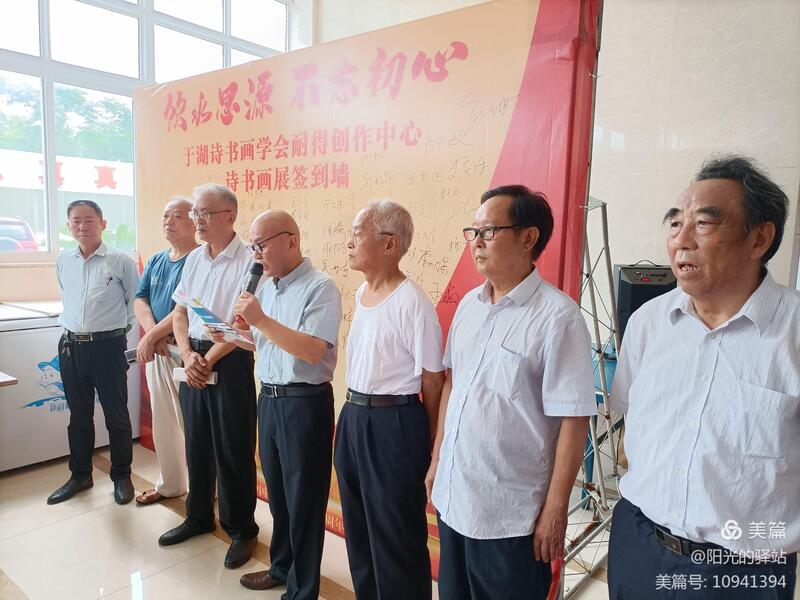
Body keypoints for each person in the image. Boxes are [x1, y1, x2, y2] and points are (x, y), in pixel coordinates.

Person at [607, 156, 798, 599]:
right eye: (675, 223)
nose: (681, 240)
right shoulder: (648, 321)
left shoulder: (792, 332)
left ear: (759, 238)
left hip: (743, 571)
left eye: (704, 224)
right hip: (639, 545)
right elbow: (631, 427)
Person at [428, 185, 596, 600]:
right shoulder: (469, 306)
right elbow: (452, 384)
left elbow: (574, 419)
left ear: (528, 237)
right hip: (455, 498)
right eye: (473, 232)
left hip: (510, 517)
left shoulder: (558, 318)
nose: (476, 242)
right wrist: (437, 459)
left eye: (488, 231)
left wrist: (555, 510)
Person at [210, 210, 342, 599]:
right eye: (252, 247)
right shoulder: (267, 287)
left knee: (304, 501)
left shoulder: (321, 287)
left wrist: (261, 319)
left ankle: (303, 590)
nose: (255, 255)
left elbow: (313, 351)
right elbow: (266, 342)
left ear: (291, 241)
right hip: (268, 399)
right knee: (280, 497)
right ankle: (281, 567)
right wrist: (230, 333)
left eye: (260, 246)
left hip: (304, 404)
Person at [334, 199, 445, 600]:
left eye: (357, 234)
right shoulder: (363, 291)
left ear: (389, 243)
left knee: (396, 535)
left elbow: (433, 380)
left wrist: (426, 438)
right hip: (354, 415)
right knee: (360, 527)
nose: (349, 243)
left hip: (394, 423)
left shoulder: (413, 303)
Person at [157, 183, 259, 570]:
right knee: (197, 442)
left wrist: (208, 361)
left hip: (229, 359)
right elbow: (181, 311)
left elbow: (243, 323)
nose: (197, 220)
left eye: (205, 213)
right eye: (195, 213)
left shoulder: (250, 260)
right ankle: (198, 516)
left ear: (230, 216)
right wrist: (187, 355)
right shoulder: (196, 258)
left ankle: (241, 529)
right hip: (194, 356)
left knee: (233, 448)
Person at [47, 200, 139, 505]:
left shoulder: (120, 261)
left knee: (117, 415)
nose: (82, 226)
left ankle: (122, 476)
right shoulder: (64, 260)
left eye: (89, 220)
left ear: (103, 224)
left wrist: (114, 336)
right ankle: (80, 475)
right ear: (69, 225)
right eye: (76, 221)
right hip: (71, 346)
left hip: (108, 347)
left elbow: (134, 306)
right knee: (79, 416)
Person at [133, 196, 198, 505]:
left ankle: (206, 488)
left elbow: (185, 308)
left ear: (195, 221)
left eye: (177, 216)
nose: (168, 221)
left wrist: (153, 336)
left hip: (186, 351)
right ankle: (171, 484)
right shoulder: (158, 259)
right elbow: (140, 299)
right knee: (163, 421)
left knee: (191, 423)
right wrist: (151, 335)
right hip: (158, 351)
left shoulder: (199, 259)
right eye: (165, 216)